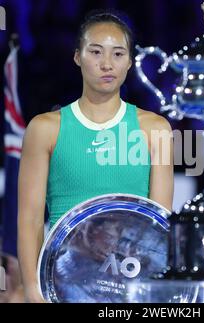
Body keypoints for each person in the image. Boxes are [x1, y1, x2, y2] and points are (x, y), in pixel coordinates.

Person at [17, 10, 174, 303]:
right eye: (96, 52)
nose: (106, 64)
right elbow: (30, 219)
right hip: (63, 284)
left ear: (130, 61)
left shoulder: (154, 129)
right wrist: (32, 290)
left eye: (118, 54)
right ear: (78, 57)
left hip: (131, 290)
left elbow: (157, 227)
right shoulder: (45, 129)